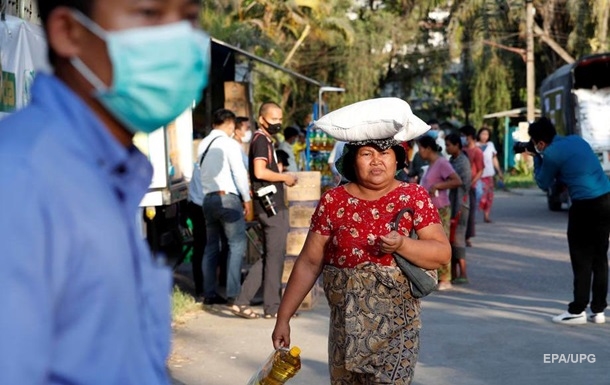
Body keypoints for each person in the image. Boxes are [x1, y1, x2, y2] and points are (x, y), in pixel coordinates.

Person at [0, 0, 209, 384]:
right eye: (150, 14)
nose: (181, 38)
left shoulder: (107, 174)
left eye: (189, 17)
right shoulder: (20, 179)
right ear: (68, 32)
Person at [272, 137, 450, 384]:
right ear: (352, 161)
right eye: (366, 154)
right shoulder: (333, 201)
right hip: (345, 332)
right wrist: (284, 318)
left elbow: (441, 253)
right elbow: (309, 263)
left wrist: (402, 244)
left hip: (397, 330)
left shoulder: (413, 196)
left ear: (397, 159)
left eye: (385, 153)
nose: (376, 160)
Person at [528, 117, 610, 325]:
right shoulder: (577, 140)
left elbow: (543, 182)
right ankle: (598, 310)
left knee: (581, 258)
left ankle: (577, 310)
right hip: (606, 200)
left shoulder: (550, 153)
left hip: (584, 206)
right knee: (600, 257)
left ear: (540, 143)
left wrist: (537, 158)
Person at [230, 102, 298, 319]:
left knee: (272, 256)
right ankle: (263, 305)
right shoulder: (260, 140)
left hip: (271, 205)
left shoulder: (266, 140)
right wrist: (284, 177)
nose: (277, 123)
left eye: (280, 119)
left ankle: (266, 306)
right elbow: (259, 172)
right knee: (273, 256)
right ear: (262, 119)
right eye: (273, 119)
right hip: (270, 207)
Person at [199, 109, 252, 305]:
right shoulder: (229, 144)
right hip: (227, 198)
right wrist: (246, 198)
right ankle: (233, 293)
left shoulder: (203, 144)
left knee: (211, 247)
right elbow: (239, 173)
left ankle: (209, 293)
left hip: (207, 199)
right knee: (236, 245)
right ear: (230, 124)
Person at [417, 135, 462, 291]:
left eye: (420, 148)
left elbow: (457, 180)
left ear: (428, 148)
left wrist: (438, 186)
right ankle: (436, 275)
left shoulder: (442, 163)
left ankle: (445, 278)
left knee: (441, 242)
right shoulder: (431, 164)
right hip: (431, 208)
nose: (419, 152)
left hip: (441, 208)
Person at [445, 133, 472, 284]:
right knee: (451, 237)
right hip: (452, 201)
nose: (447, 147)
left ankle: (463, 272)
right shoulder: (452, 160)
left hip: (461, 203)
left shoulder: (463, 162)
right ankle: (454, 273)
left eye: (449, 145)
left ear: (457, 145)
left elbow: (462, 183)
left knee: (458, 237)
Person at [459, 125, 484, 247]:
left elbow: (480, 170)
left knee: (470, 211)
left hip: (471, 186)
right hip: (460, 184)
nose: (462, 138)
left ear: (469, 137)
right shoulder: (462, 150)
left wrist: (472, 182)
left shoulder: (477, 152)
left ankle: (467, 236)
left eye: (463, 135)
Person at [477, 127, 504, 223]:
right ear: (479, 134)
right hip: (478, 175)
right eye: (483, 134)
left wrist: (499, 171)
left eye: (486, 134)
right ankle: (474, 216)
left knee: (489, 196)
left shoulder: (490, 145)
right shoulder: (475, 145)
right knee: (479, 196)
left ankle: (486, 215)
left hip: (489, 174)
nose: (484, 136)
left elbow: (494, 159)